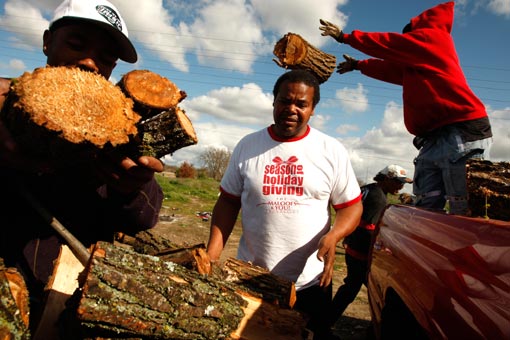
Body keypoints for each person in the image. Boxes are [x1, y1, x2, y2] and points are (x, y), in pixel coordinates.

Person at [0, 0, 163, 330]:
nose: (90, 63)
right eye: (76, 44)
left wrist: (133, 187)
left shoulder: (115, 128)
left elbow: (145, 217)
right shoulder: (6, 106)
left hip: (69, 302)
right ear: (47, 42)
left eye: (106, 59)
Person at [206, 69, 363, 339]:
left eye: (301, 104)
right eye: (284, 101)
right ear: (274, 102)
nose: (291, 109)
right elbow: (228, 203)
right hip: (251, 278)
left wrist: (334, 235)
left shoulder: (330, 150)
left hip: (310, 284)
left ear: (312, 109)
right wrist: (211, 254)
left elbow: (350, 206)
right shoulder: (248, 145)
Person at [319, 2, 492, 216]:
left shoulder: (434, 40)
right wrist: (359, 65)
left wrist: (346, 37)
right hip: (433, 137)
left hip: (461, 132)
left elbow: (393, 44)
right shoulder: (417, 64)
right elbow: (390, 69)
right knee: (426, 206)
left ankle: (466, 248)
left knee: (462, 204)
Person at [329, 164, 412, 328]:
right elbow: (368, 229)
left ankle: (324, 322)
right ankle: (323, 324)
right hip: (361, 252)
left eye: (403, 183)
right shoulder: (379, 199)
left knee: (352, 288)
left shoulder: (368, 188)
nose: (401, 186)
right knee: (368, 291)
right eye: (397, 182)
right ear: (387, 179)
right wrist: (379, 252)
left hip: (353, 246)